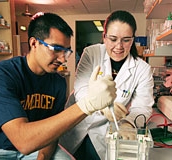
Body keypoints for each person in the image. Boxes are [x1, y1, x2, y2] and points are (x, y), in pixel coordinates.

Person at [0, 12, 117, 160]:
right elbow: (23, 141)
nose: (63, 58)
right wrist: (87, 105)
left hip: (36, 149)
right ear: (34, 43)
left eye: (66, 51)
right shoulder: (1, 75)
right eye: (56, 49)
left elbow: (54, 130)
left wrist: (43, 157)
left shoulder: (57, 81)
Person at [59, 10, 154, 160]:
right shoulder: (91, 53)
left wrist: (128, 124)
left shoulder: (142, 69)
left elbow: (143, 106)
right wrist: (101, 106)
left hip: (105, 131)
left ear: (133, 39)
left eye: (126, 40)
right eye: (113, 39)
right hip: (77, 123)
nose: (119, 46)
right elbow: (81, 89)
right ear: (104, 37)